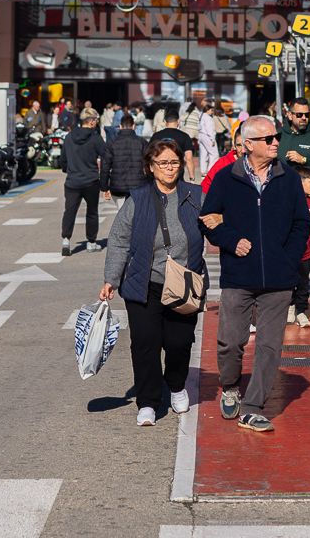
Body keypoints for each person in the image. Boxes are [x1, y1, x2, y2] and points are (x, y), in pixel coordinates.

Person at [200, 115, 310, 433]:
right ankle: (230, 386)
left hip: (279, 279)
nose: (276, 142)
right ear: (248, 144)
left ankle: (253, 407)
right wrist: (231, 240)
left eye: (276, 137)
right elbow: (207, 217)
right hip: (238, 276)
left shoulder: (288, 178)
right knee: (230, 342)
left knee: (269, 345)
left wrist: (288, 259)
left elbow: (302, 222)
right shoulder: (226, 178)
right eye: (268, 138)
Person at [100, 139, 207, 426]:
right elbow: (119, 240)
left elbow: (215, 227)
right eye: (163, 163)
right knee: (145, 344)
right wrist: (111, 279)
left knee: (179, 342)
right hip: (144, 284)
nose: (169, 168)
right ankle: (147, 401)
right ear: (150, 167)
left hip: (184, 282)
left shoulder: (195, 195)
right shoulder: (138, 199)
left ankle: (176, 385)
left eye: (174, 162)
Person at [60, 108, 111, 256]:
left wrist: (69, 169)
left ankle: (66, 240)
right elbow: (106, 155)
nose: (97, 122)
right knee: (92, 212)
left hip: (72, 181)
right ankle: (91, 242)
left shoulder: (69, 137)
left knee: (70, 211)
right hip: (91, 180)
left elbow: (63, 160)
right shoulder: (95, 138)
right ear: (91, 121)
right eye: (96, 120)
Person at [288, 163, 310, 328]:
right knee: (287, 281)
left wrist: (307, 241)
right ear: (299, 182)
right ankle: (289, 306)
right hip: (288, 253)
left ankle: (300, 310)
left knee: (303, 282)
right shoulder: (286, 201)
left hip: (305, 252)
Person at [277, 97, 310, 182]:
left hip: (307, 189)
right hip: (282, 187)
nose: (304, 118)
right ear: (290, 115)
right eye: (299, 115)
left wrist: (304, 160)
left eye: (307, 115)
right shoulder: (278, 135)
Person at [104, 114, 147, 207]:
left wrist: (104, 187)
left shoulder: (112, 142)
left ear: (120, 126)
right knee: (137, 213)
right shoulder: (142, 142)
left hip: (117, 186)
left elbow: (105, 166)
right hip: (138, 185)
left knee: (122, 213)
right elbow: (149, 165)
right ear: (134, 126)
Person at [149, 113, 197, 182]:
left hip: (160, 173)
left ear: (165, 122)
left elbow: (149, 155)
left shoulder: (156, 136)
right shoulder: (184, 136)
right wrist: (192, 178)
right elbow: (188, 159)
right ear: (178, 121)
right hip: (177, 175)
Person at [197, 101, 220, 175]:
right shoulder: (208, 118)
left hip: (201, 135)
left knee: (203, 154)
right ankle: (210, 170)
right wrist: (212, 139)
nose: (212, 112)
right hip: (207, 136)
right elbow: (210, 129)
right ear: (207, 110)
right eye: (211, 110)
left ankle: (203, 171)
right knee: (214, 154)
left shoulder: (201, 116)